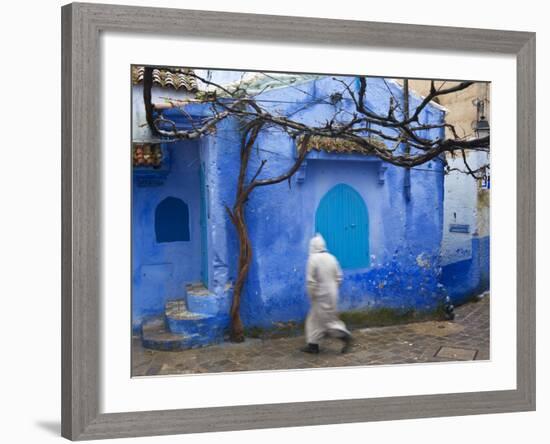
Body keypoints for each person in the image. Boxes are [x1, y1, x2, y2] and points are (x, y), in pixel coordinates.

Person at [301, 234, 352, 354]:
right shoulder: (331, 258)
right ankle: (313, 345)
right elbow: (339, 277)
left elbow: (310, 282)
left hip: (320, 294)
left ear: (312, 246)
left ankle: (344, 336)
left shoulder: (313, 259)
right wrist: (333, 288)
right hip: (333, 293)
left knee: (327, 321)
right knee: (314, 319)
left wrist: (312, 295)